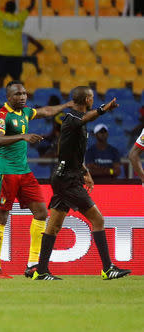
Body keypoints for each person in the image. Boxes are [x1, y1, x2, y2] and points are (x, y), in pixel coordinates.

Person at [32, 86, 131, 280]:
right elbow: (85, 119)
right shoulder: (73, 119)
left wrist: (85, 172)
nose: (93, 100)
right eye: (92, 98)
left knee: (53, 226)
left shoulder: (75, 122)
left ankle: (41, 271)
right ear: (87, 100)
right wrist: (104, 109)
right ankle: (108, 268)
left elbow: (69, 152)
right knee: (98, 220)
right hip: (68, 180)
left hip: (66, 176)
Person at [0, 80, 73, 279]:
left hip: (24, 172)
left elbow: (45, 111)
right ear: (8, 97)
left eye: (25, 93)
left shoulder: (25, 112)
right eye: (18, 94)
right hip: (6, 172)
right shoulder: (3, 115)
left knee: (42, 212)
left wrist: (66, 105)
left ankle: (33, 265)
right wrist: (23, 136)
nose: (23, 97)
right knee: (1, 216)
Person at [0, 0, 35, 93]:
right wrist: (33, 2)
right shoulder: (20, 17)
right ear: (15, 9)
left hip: (2, 53)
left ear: (5, 9)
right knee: (17, 80)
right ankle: (19, 100)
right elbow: (30, 7)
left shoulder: (0, 16)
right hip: (16, 54)